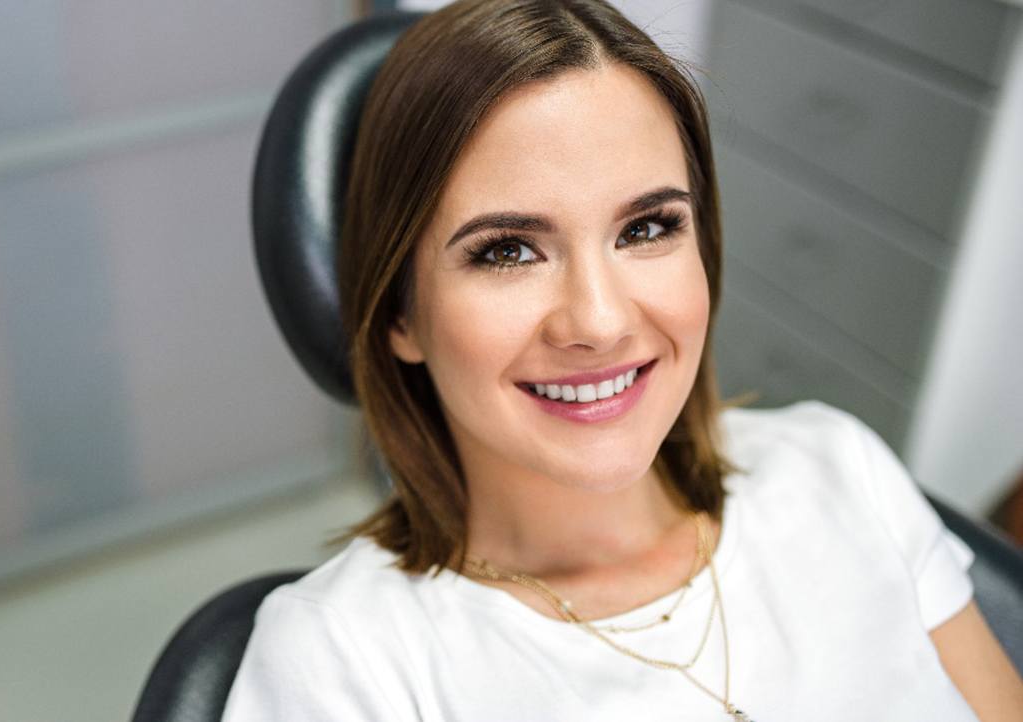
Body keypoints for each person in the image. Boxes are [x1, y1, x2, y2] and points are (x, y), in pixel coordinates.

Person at [223, 0, 1023, 719]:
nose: (600, 323)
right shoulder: (337, 665)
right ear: (400, 312)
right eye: (506, 251)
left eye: (646, 229)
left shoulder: (842, 472)